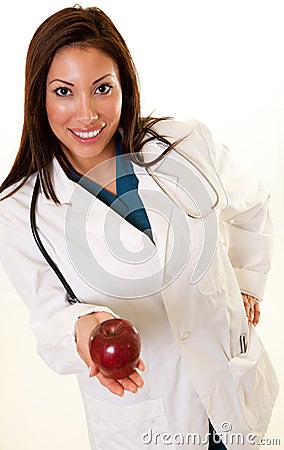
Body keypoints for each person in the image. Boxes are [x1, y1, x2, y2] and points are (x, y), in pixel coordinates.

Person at [0, 6, 279, 450]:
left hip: (232, 391)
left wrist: (248, 281)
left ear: (124, 85)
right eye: (64, 92)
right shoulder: (20, 210)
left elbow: (251, 204)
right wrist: (86, 329)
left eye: (102, 88)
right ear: (39, 97)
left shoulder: (185, 144)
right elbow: (48, 318)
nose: (87, 114)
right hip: (148, 419)